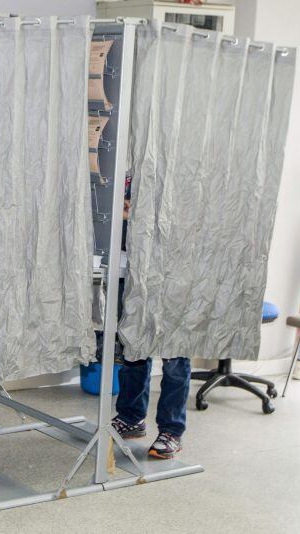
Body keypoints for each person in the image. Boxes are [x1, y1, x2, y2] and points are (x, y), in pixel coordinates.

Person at [111, 176, 190, 460]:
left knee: (175, 360)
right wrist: (124, 213)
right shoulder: (128, 178)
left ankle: (171, 430)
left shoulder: (185, 177)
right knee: (134, 349)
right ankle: (131, 418)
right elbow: (120, 236)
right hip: (136, 276)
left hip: (175, 277)